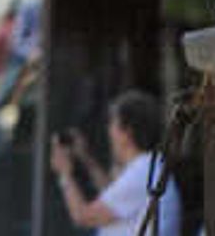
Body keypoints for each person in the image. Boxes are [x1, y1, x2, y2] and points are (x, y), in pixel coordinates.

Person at [48, 88, 174, 234]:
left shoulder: (142, 172)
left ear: (127, 132)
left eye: (112, 124)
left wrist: (65, 175)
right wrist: (85, 158)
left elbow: (83, 217)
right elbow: (112, 193)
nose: (109, 131)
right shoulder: (148, 167)